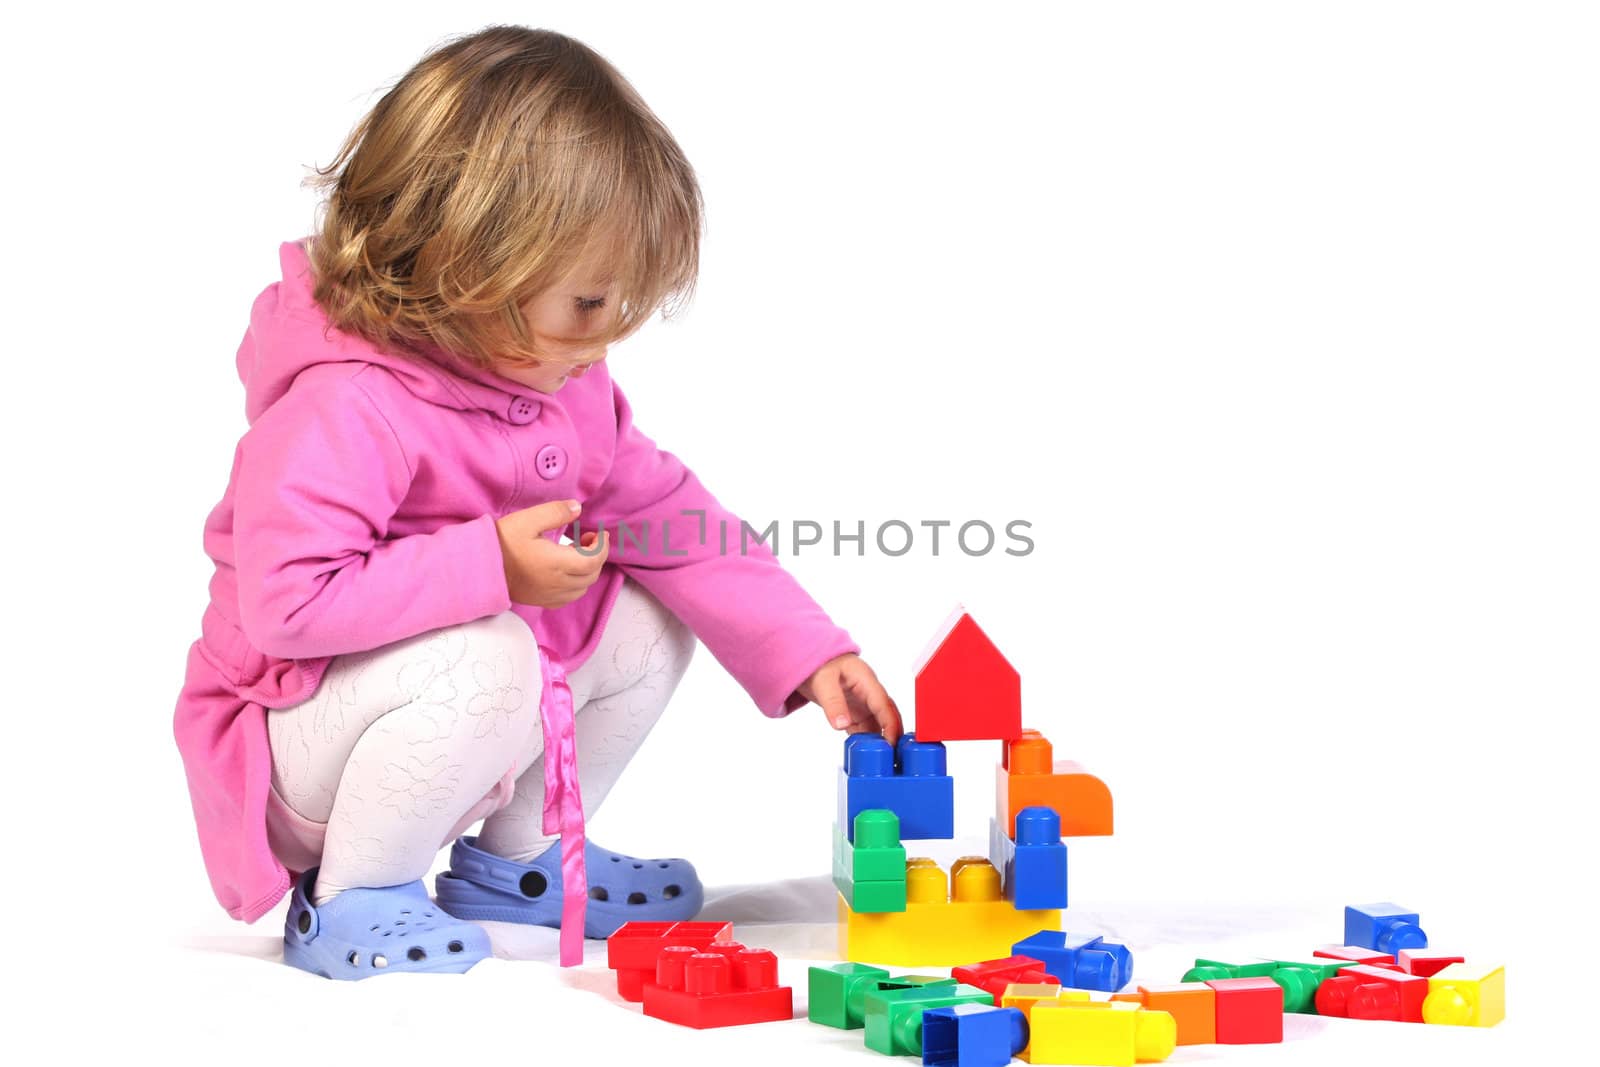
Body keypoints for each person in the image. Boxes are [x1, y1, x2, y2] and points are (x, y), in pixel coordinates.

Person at [171, 24, 902, 981]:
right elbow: (289, 606)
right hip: (298, 740)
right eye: (590, 305)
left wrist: (809, 649)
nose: (609, 338)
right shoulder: (343, 406)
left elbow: (668, 515)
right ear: (462, 262)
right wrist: (490, 566)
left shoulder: (558, 385)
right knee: (494, 643)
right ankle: (355, 895)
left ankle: (523, 861)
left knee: (645, 612)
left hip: (455, 717)